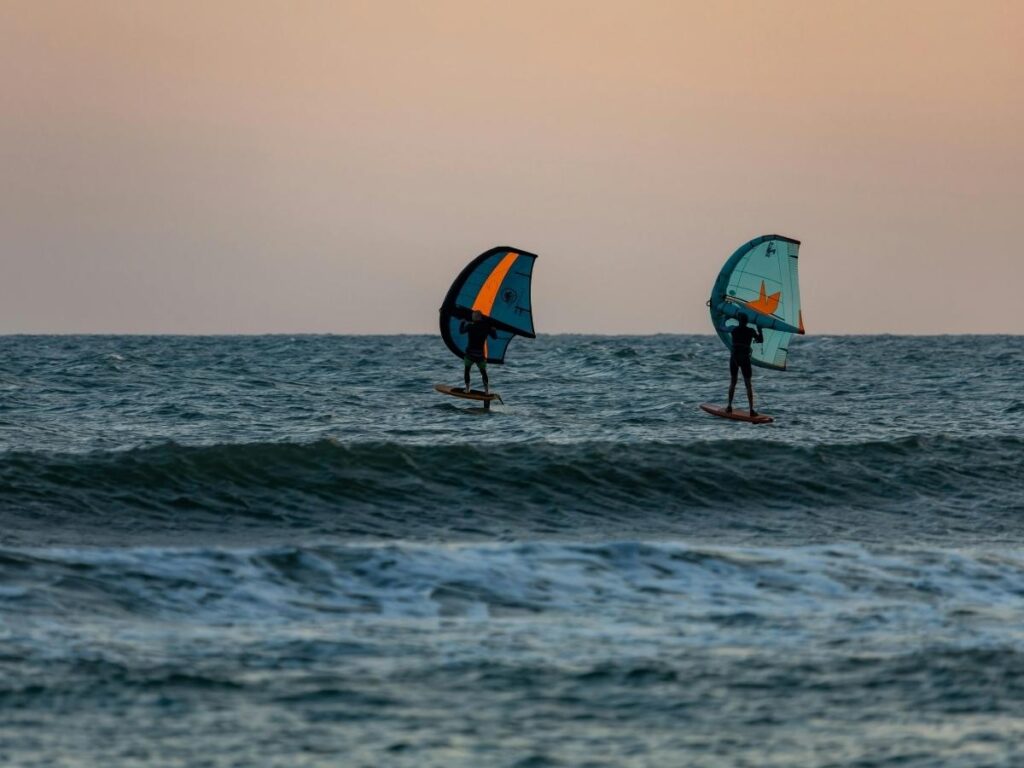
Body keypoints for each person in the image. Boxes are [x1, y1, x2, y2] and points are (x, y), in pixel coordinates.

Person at [726, 312, 763, 416]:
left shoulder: (734, 329)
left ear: (739, 321)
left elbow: (722, 328)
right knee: (748, 385)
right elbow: (760, 340)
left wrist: (727, 316)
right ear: (747, 322)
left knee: (733, 382)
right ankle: (751, 410)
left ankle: (729, 406)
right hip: (745, 359)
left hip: (734, 358)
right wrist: (759, 328)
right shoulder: (750, 331)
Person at [459, 310, 497, 393]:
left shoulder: (470, 326)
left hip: (470, 354)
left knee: (467, 370)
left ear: (476, 317)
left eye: (473, 316)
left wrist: (462, 323)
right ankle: (487, 391)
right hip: (480, 355)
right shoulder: (486, 327)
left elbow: (461, 331)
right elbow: (494, 337)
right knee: (483, 372)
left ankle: (467, 389)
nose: (472, 317)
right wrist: (493, 330)